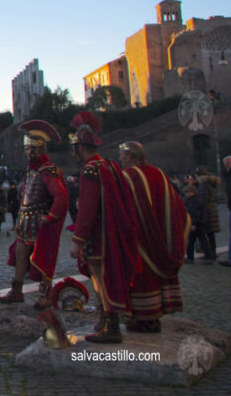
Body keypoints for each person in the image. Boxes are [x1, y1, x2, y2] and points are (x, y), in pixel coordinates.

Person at [69, 111, 140, 344]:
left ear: (79, 148)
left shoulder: (90, 170)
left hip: (99, 236)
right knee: (108, 277)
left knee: (101, 280)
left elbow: (88, 208)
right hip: (114, 231)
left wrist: (77, 240)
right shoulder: (108, 165)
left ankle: (111, 326)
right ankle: (105, 321)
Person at [119, 141, 188, 332]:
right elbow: (178, 207)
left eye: (122, 156)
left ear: (131, 156)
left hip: (142, 241)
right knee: (155, 280)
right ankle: (155, 315)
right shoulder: (158, 173)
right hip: (161, 240)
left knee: (143, 279)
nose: (120, 159)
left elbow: (122, 209)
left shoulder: (129, 176)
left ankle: (143, 318)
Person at [0, 120, 69, 309]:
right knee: (20, 254)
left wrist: (51, 217)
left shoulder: (47, 171)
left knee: (44, 258)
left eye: (28, 149)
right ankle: (17, 291)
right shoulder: (31, 171)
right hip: (26, 221)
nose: (26, 152)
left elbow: (60, 197)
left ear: (37, 150)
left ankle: (45, 295)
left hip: (40, 222)